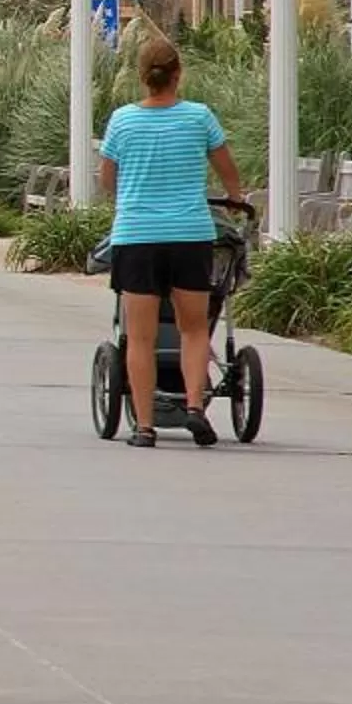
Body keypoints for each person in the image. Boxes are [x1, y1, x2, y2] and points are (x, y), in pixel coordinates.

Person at [101, 35, 248, 450]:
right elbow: (226, 169)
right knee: (194, 329)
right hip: (189, 235)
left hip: (137, 236)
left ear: (142, 76)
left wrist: (130, 195)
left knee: (140, 336)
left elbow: (107, 180)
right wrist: (236, 198)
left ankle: (144, 427)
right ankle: (195, 409)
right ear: (178, 74)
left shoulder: (123, 121)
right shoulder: (199, 118)